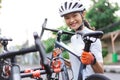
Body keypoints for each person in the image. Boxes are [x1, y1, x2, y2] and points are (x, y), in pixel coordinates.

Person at [59, 0, 104, 80]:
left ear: (83, 14)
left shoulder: (92, 37)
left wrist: (93, 60)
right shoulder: (73, 38)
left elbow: (101, 72)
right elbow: (76, 64)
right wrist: (60, 59)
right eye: (67, 18)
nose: (71, 20)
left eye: (75, 15)